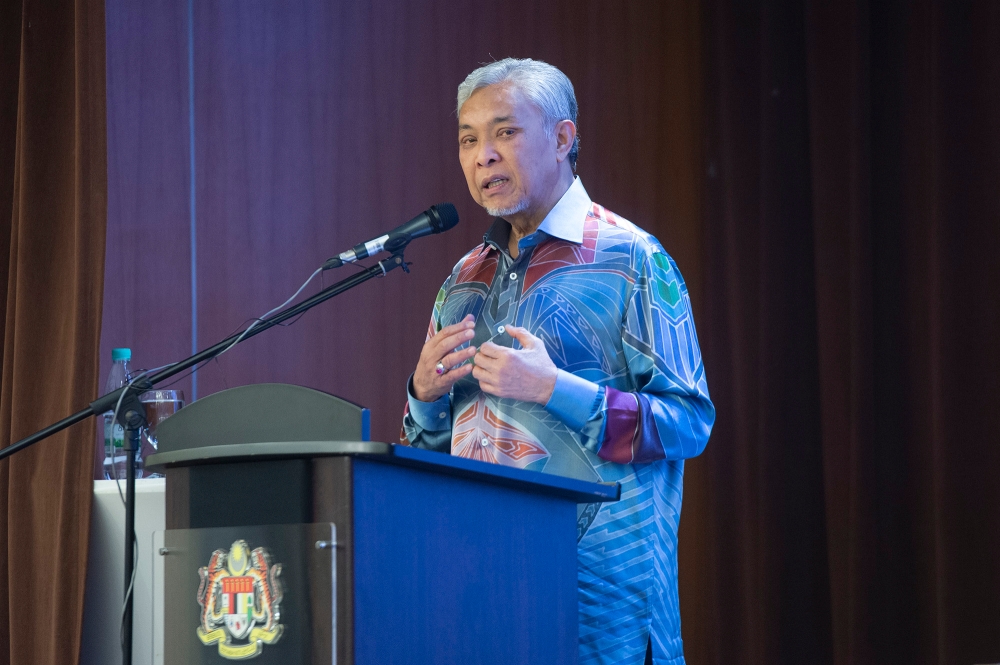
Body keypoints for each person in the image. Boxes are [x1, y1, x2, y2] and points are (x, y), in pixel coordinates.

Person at [400, 58, 714, 665]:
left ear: (564, 138)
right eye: (468, 139)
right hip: (482, 598)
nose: (483, 155)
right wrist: (422, 395)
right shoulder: (463, 280)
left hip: (602, 611)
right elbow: (425, 450)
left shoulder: (632, 259)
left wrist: (555, 389)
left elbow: (687, 424)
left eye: (505, 132)